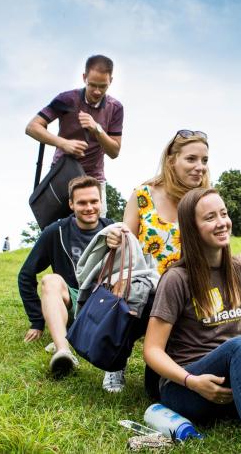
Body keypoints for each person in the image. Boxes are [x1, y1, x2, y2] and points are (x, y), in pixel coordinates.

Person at [143, 188, 241, 454]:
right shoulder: (177, 279)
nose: (222, 222)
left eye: (223, 214)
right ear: (193, 228)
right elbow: (152, 350)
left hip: (235, 385)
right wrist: (192, 381)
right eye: (210, 217)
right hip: (187, 390)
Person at [103, 129, 211, 392]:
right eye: (191, 159)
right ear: (172, 159)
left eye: (204, 160)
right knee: (134, 296)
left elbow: (214, 243)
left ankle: (178, 364)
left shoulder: (203, 199)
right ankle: (115, 364)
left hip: (184, 287)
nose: (199, 167)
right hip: (145, 283)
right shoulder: (143, 195)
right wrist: (115, 237)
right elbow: (126, 238)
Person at [17, 176, 113, 377]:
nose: (89, 207)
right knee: (51, 280)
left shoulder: (113, 229)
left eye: (94, 201)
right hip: (74, 299)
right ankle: (63, 351)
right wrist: (36, 321)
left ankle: (77, 335)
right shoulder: (56, 231)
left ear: (101, 202)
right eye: (82, 202)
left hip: (105, 302)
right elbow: (26, 275)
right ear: (71, 204)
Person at [25, 54, 123, 216]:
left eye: (103, 86)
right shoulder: (67, 99)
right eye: (92, 85)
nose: (97, 91)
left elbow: (114, 152)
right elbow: (32, 127)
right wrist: (62, 143)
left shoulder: (115, 108)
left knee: (97, 232)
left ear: (110, 81)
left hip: (94, 177)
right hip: (62, 174)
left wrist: (97, 129)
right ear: (84, 78)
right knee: (57, 227)